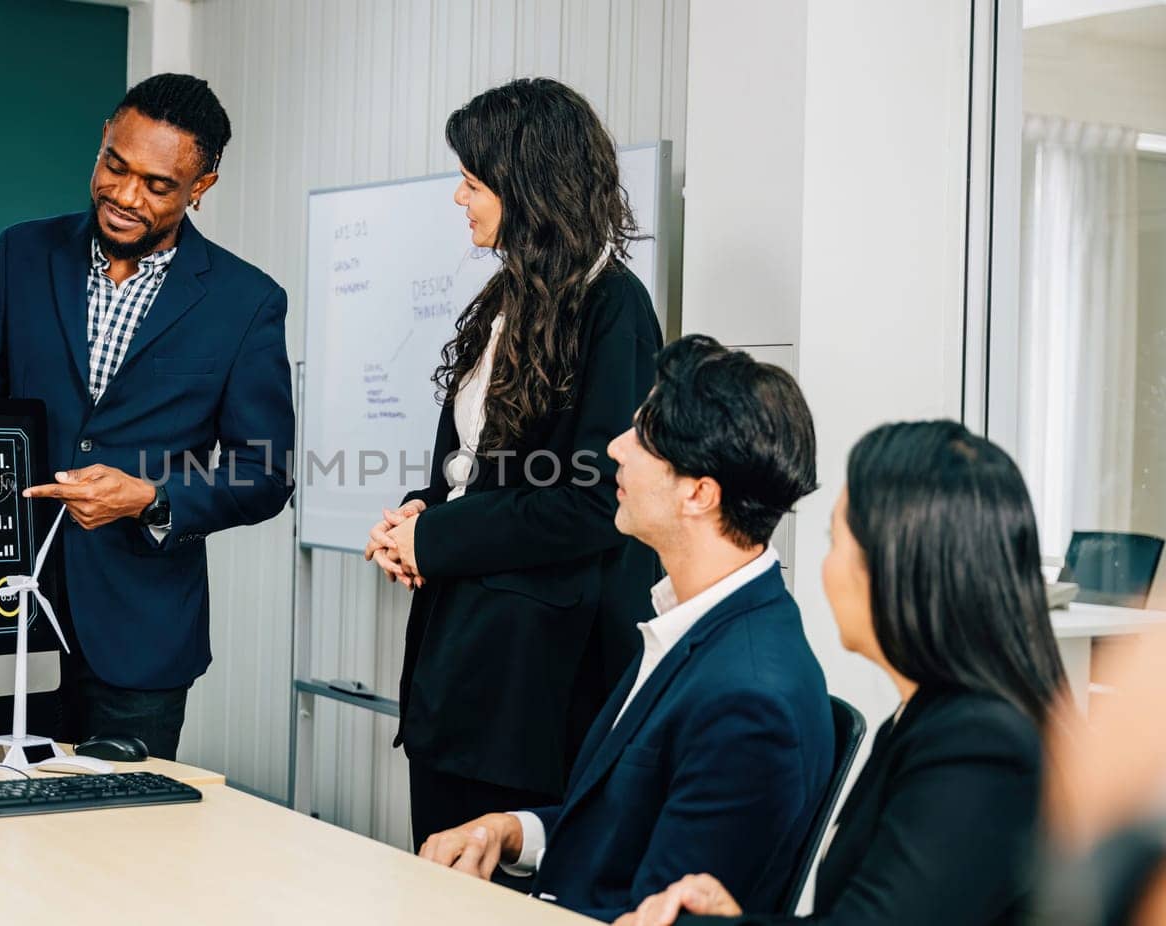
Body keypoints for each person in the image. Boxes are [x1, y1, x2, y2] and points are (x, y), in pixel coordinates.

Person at [0, 74, 294, 759]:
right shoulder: (22, 255)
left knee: (117, 848)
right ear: (101, 144)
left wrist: (150, 497)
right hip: (7, 615)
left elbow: (264, 472)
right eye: (115, 167)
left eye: (156, 185)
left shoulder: (246, 302)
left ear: (200, 187)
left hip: (141, 637)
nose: (124, 196)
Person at [418, 334, 832, 922]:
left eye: (643, 436)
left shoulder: (748, 700)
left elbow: (661, 911)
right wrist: (511, 830)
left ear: (698, 494)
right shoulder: (693, 624)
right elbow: (616, 826)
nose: (614, 447)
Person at [362, 77, 664, 850]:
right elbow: (468, 471)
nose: (459, 199)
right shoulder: (507, 297)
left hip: (533, 683)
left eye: (472, 182)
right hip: (457, 657)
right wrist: (419, 513)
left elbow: (595, 500)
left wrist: (437, 540)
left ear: (527, 186)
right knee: (435, 873)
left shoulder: (613, 308)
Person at [622, 420, 1069, 926]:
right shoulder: (931, 718)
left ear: (898, 565)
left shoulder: (979, 743)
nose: (826, 568)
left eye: (837, 540)